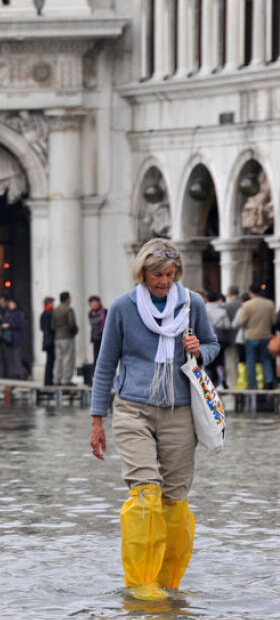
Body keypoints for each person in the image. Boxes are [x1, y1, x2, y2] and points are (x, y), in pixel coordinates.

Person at [89, 238, 218, 601]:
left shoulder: (192, 304)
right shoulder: (122, 307)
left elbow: (212, 345)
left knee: (175, 500)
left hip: (179, 411)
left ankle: (168, 584)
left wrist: (200, 350)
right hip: (133, 409)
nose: (164, 281)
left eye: (170, 273)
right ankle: (142, 586)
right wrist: (97, 418)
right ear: (142, 273)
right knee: (146, 494)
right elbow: (104, 366)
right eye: (157, 274)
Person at [235, 281, 275, 389]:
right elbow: (273, 320)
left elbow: (241, 322)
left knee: (251, 360)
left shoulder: (247, 305)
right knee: (265, 359)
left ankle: (253, 385)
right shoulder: (270, 303)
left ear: (251, 293)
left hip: (251, 336)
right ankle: (270, 379)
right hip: (265, 335)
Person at [204, 290, 229, 388]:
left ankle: (208, 383)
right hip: (220, 339)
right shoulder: (222, 311)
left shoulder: (204, 309)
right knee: (220, 361)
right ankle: (222, 380)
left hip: (207, 339)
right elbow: (227, 325)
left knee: (209, 362)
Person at [52, 291, 78, 385]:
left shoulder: (55, 310)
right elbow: (72, 323)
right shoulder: (68, 309)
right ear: (67, 299)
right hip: (67, 336)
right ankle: (66, 379)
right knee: (67, 358)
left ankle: (57, 378)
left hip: (57, 337)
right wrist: (74, 331)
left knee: (58, 358)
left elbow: (52, 325)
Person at [1, 298, 25, 379]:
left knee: (17, 356)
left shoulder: (18, 313)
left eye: (12, 304)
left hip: (16, 338)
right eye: (10, 304)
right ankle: (12, 373)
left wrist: (9, 325)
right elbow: (4, 321)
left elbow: (18, 324)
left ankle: (17, 373)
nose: (11, 305)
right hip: (9, 339)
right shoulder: (8, 313)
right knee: (11, 357)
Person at [223, 285, 242, 386]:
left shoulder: (226, 306)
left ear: (229, 293)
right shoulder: (242, 304)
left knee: (231, 362)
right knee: (242, 362)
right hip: (244, 339)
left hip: (231, 339)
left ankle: (234, 384)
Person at [39, 296, 56, 386]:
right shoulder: (50, 313)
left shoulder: (43, 314)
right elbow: (52, 327)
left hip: (46, 339)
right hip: (51, 340)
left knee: (49, 361)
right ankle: (49, 380)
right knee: (51, 361)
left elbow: (41, 327)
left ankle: (47, 380)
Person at [88, 295, 107, 365]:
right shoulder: (91, 314)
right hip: (96, 337)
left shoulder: (105, 312)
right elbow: (92, 322)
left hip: (104, 336)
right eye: (92, 303)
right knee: (96, 356)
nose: (94, 305)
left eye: (95, 303)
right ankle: (94, 373)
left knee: (105, 355)